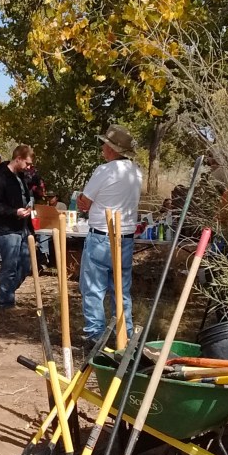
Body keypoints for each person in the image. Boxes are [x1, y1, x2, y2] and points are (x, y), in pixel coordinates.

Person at [78, 126, 143, 347]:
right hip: (124, 236)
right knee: (121, 289)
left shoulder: (105, 171)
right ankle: (125, 334)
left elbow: (84, 202)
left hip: (102, 235)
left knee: (93, 287)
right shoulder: (136, 171)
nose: (103, 148)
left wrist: (84, 201)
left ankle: (96, 335)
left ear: (113, 150)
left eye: (106, 144)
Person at [0, 145, 34, 310]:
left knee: (26, 265)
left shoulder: (21, 177)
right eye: (27, 163)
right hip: (7, 228)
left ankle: (5, 294)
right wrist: (14, 212)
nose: (29, 167)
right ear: (18, 158)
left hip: (23, 226)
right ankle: (6, 303)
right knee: (9, 266)